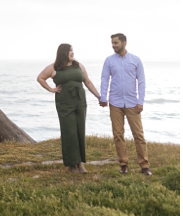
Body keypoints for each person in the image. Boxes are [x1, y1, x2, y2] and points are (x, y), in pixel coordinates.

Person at [37, 43, 101, 173]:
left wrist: (99, 96)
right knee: (69, 132)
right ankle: (72, 164)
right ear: (63, 53)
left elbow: (87, 82)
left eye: (73, 51)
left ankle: (80, 163)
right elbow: (40, 78)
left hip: (80, 101)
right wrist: (51, 89)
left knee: (79, 130)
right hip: (64, 103)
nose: (72, 53)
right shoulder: (54, 67)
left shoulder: (78, 65)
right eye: (70, 51)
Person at [99, 33, 150, 175]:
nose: (113, 46)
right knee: (118, 134)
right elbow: (104, 79)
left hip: (133, 103)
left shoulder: (135, 60)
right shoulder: (109, 61)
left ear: (124, 42)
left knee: (138, 135)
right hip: (115, 103)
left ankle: (144, 166)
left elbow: (141, 82)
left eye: (116, 43)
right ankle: (123, 164)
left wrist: (140, 101)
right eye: (112, 43)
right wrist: (103, 97)